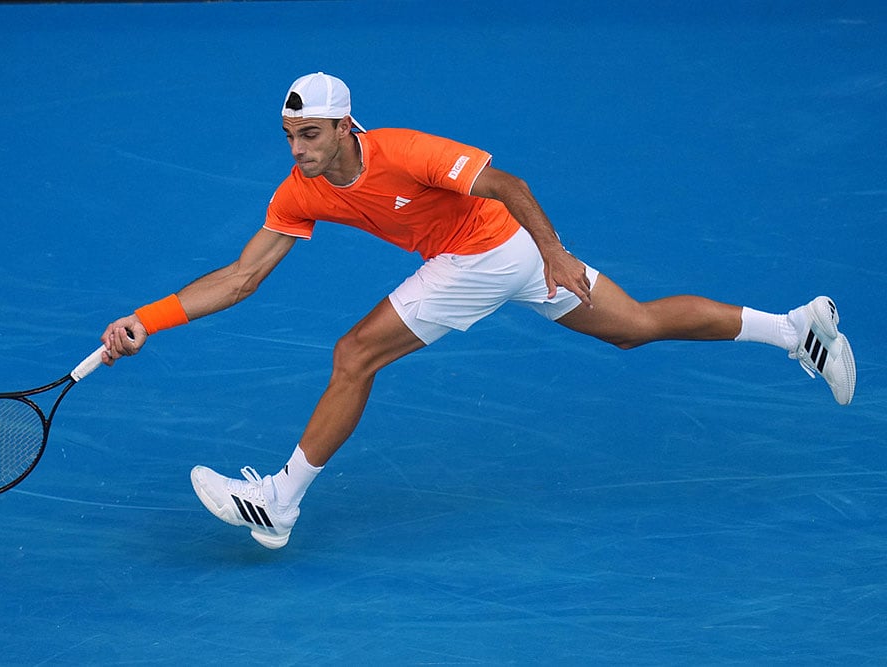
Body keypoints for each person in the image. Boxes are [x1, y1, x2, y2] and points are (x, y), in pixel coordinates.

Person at [100, 72, 856, 549]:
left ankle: (280, 501)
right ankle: (796, 330)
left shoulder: (404, 151)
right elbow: (242, 277)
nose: (298, 149)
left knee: (355, 354)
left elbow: (510, 185)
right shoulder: (300, 191)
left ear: (345, 127)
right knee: (636, 327)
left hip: (494, 251)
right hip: (505, 257)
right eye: (290, 136)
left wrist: (553, 252)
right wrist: (148, 318)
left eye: (311, 135)